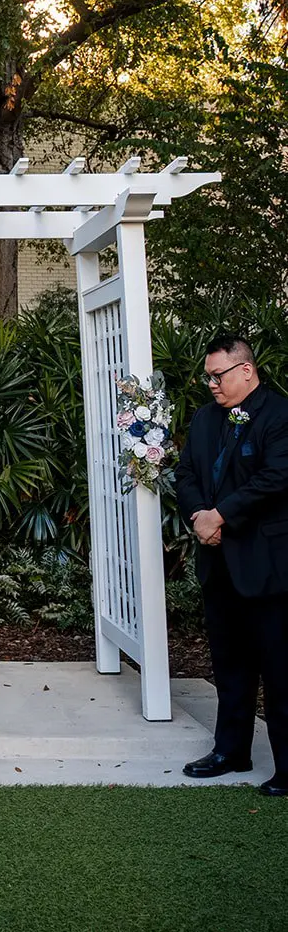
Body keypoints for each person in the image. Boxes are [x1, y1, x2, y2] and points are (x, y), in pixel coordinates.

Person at [176, 333, 288, 797]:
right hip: (218, 564)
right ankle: (231, 750)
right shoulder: (204, 420)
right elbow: (185, 474)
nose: (212, 386)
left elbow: (276, 477)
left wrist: (222, 515)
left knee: (281, 669)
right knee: (229, 663)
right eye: (208, 378)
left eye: (218, 376)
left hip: (268, 565)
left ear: (246, 370)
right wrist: (201, 518)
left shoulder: (280, 415)